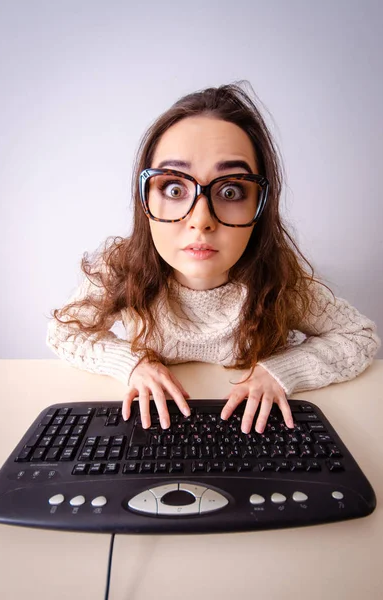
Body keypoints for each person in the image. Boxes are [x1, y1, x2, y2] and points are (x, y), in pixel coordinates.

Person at [46, 82, 380, 435]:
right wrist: (132, 365)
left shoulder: (279, 276)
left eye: (231, 190)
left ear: (259, 205)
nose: (201, 220)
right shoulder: (120, 267)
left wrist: (282, 372)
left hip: (253, 431)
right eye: (174, 189)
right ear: (145, 200)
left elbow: (359, 337)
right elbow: (64, 332)